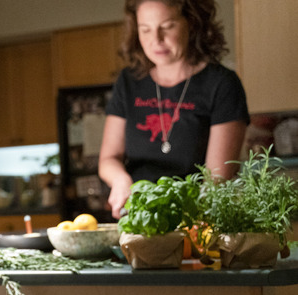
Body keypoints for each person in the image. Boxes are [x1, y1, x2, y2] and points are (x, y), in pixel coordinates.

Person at [98, 0, 250, 219]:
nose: (156, 40)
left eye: (167, 27)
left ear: (192, 22)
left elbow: (216, 180)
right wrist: (121, 181)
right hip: (139, 214)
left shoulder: (222, 84)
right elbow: (108, 159)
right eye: (145, 30)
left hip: (197, 216)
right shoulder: (128, 82)